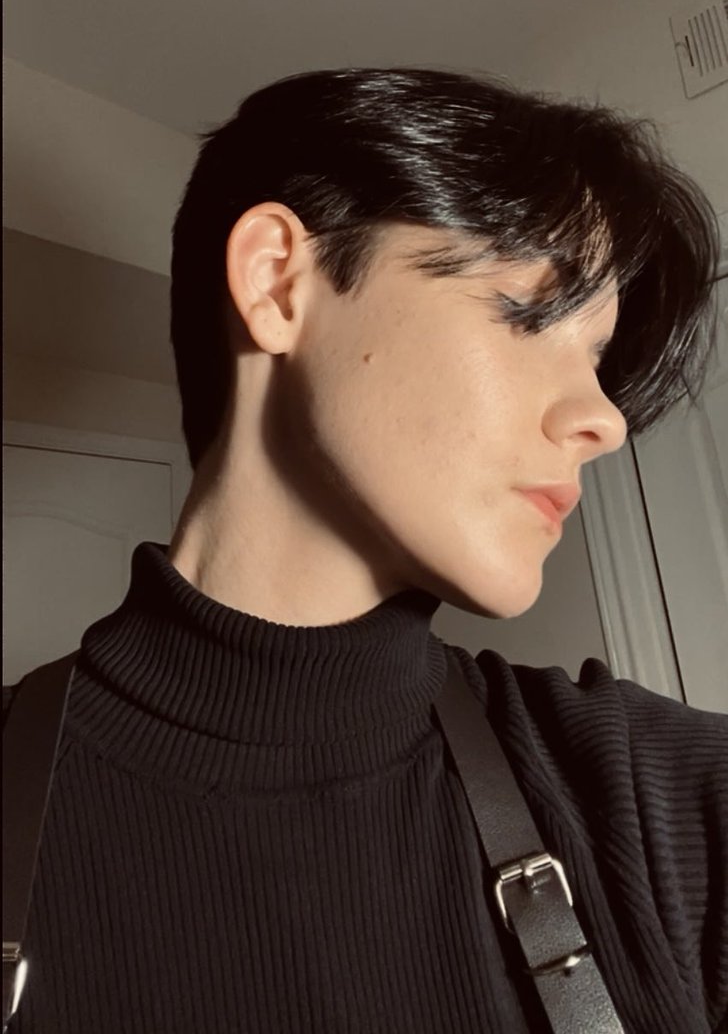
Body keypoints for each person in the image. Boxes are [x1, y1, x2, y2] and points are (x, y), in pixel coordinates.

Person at [5, 68, 727, 1033]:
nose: (605, 420)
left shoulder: (659, 798)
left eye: (597, 359)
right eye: (527, 314)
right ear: (278, 283)